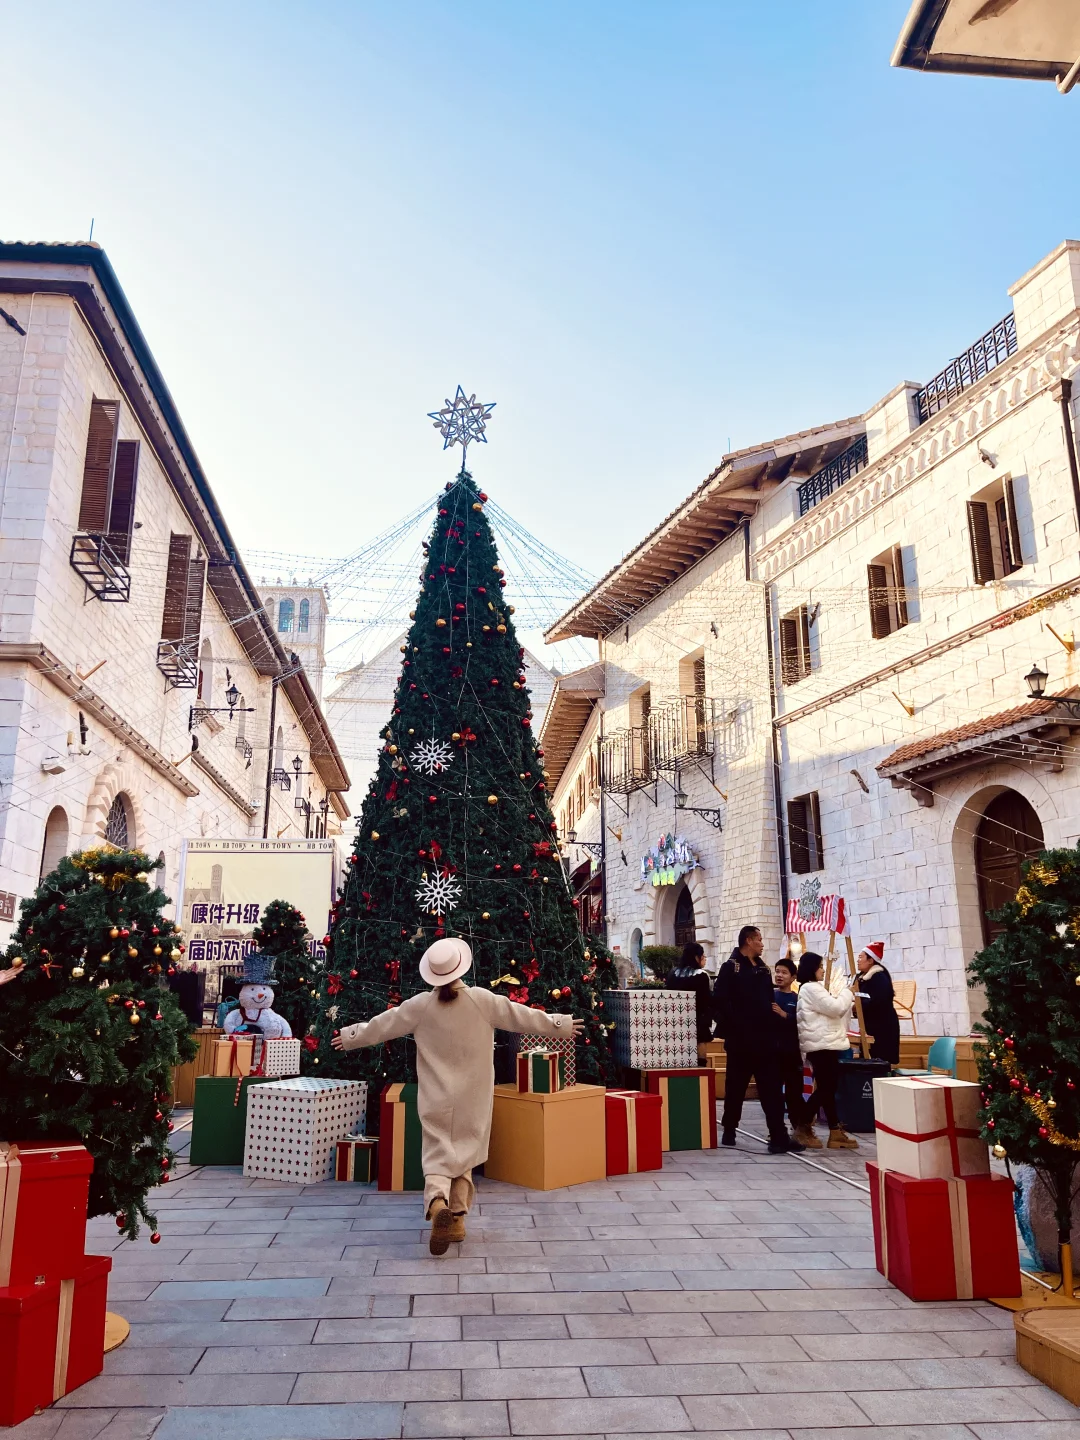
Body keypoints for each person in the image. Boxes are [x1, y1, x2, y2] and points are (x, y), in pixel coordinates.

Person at [332, 937, 583, 1255]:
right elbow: (520, 1016)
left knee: (438, 1155)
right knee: (465, 1153)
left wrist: (350, 1036)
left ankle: (438, 1206)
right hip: (473, 1096)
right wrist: (558, 1024)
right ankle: (459, 1220)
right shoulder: (482, 1000)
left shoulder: (420, 1006)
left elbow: (384, 1025)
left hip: (436, 1095)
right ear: (460, 968)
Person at [713, 925, 805, 1154]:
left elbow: (767, 1002)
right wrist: (735, 1025)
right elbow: (720, 1002)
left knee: (771, 1089)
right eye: (759, 940)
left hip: (764, 1041)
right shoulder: (731, 968)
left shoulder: (763, 969)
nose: (762, 944)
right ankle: (730, 1130)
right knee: (735, 1087)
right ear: (748, 940)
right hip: (741, 1041)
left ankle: (778, 1137)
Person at [795, 951, 858, 1150]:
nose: (823, 970)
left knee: (827, 1089)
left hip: (823, 1043)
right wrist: (849, 991)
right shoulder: (812, 988)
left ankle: (835, 1131)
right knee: (827, 1088)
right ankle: (802, 1124)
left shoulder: (811, 989)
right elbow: (836, 1008)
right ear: (812, 969)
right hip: (822, 1045)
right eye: (820, 966)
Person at [772, 956, 809, 1144]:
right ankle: (777, 1129)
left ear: (793, 977)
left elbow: (803, 1023)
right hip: (773, 1054)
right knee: (774, 1094)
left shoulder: (798, 999)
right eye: (777, 971)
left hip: (792, 1053)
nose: (779, 975)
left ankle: (799, 1129)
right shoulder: (770, 996)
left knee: (794, 1094)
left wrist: (785, 1015)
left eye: (784, 972)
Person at [854, 941, 901, 1068]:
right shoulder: (861, 978)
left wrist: (858, 1006)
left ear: (870, 960)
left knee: (880, 1063)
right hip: (869, 1026)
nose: (858, 960)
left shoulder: (879, 977)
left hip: (882, 1027)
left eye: (860, 957)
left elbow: (878, 1001)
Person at [665, 941, 714, 1056]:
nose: (705, 959)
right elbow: (706, 1000)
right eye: (703, 956)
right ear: (697, 957)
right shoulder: (701, 975)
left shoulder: (673, 973)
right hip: (697, 1021)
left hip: (676, 1020)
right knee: (700, 1048)